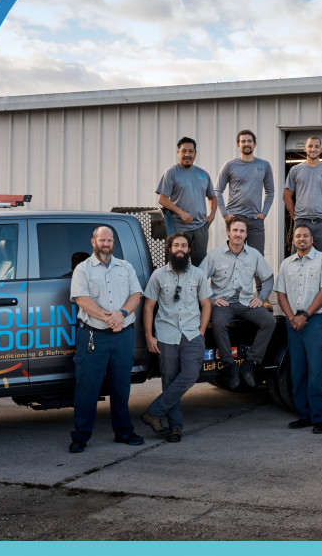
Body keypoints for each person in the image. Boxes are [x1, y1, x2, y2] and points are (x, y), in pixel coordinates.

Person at [68, 227, 144, 453]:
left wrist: (121, 315)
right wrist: (108, 318)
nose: (106, 244)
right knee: (87, 388)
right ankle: (81, 436)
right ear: (93, 241)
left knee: (121, 386)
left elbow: (135, 295)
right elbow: (81, 299)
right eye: (102, 240)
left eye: (110, 240)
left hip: (123, 336)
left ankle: (123, 432)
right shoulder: (83, 269)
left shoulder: (125, 267)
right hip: (93, 336)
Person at [139, 233, 212, 443]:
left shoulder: (197, 274)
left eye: (184, 245)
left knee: (189, 375)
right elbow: (149, 307)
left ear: (189, 249)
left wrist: (202, 331)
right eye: (176, 245)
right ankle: (175, 428)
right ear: (169, 248)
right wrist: (149, 336)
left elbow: (206, 304)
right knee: (170, 381)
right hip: (165, 334)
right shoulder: (158, 275)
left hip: (192, 334)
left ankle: (154, 412)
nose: (180, 248)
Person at [198, 215, 276, 390]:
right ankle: (230, 365)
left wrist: (261, 298)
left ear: (246, 233)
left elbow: (269, 278)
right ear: (228, 232)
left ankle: (251, 362)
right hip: (223, 304)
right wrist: (212, 299)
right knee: (218, 323)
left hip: (247, 302)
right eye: (235, 230)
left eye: (242, 231)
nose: (238, 234)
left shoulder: (254, 255)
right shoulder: (215, 256)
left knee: (269, 321)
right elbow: (198, 280)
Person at [274, 224, 322, 434]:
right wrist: (292, 317)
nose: (301, 239)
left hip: (315, 321)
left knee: (317, 370)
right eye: (298, 236)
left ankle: (320, 418)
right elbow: (280, 293)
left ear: (312, 239)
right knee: (297, 371)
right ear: (293, 240)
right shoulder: (286, 264)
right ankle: (304, 415)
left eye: (305, 236)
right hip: (293, 323)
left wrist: (306, 315)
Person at [283, 136, 322, 311]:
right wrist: (295, 216)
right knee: (296, 259)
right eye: (310, 146)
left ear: (321, 149)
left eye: (317, 146)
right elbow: (286, 196)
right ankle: (292, 295)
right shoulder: (296, 170)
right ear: (305, 148)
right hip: (302, 221)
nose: (313, 149)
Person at [214, 130, 274, 262]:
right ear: (238, 145)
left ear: (255, 144)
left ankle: (259, 284)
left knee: (257, 259)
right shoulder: (230, 165)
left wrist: (264, 213)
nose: (246, 144)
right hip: (235, 219)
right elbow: (217, 190)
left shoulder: (264, 165)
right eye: (243, 141)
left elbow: (270, 192)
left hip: (255, 220)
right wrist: (225, 214)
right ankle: (235, 284)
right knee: (233, 258)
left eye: (249, 141)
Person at [156, 137, 218, 266]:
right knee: (178, 262)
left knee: (200, 264)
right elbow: (162, 199)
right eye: (184, 151)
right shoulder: (171, 173)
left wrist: (211, 216)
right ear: (178, 152)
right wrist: (181, 213)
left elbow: (212, 197)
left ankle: (197, 286)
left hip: (201, 227)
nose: (187, 155)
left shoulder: (203, 174)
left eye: (191, 151)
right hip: (179, 227)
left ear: (195, 153)